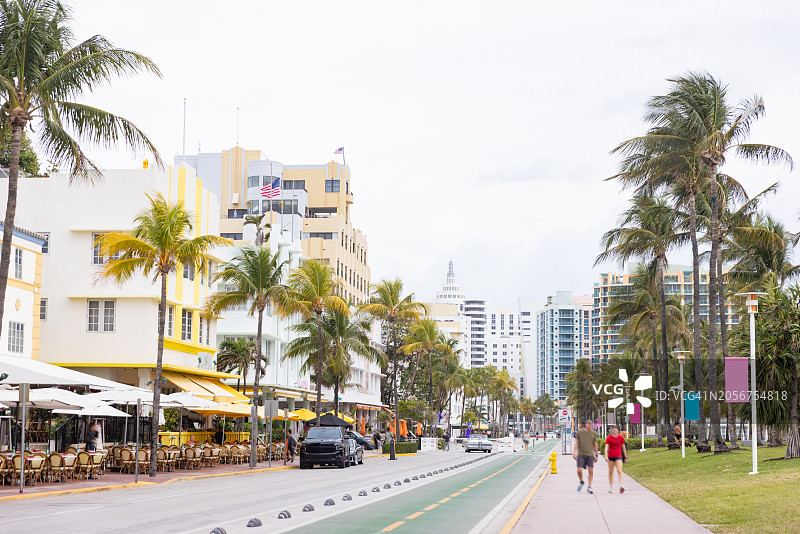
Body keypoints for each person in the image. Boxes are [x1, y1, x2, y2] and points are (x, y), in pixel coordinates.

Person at [572, 419, 598, 494]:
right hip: (581, 454)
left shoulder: (593, 433)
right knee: (579, 470)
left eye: (591, 425)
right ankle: (581, 481)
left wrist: (596, 455)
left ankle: (589, 487)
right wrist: (574, 452)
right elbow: (577, 442)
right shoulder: (580, 432)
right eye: (589, 425)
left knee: (591, 470)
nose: (590, 426)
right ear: (586, 425)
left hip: (590, 454)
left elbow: (595, 444)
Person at [605, 425, 627, 493]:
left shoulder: (620, 438)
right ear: (611, 431)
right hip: (611, 456)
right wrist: (606, 456)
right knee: (611, 472)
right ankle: (611, 487)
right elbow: (606, 448)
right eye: (613, 431)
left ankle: (621, 486)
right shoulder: (609, 438)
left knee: (619, 470)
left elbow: (623, 447)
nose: (614, 432)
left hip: (618, 456)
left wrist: (625, 457)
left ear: (618, 430)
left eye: (616, 430)